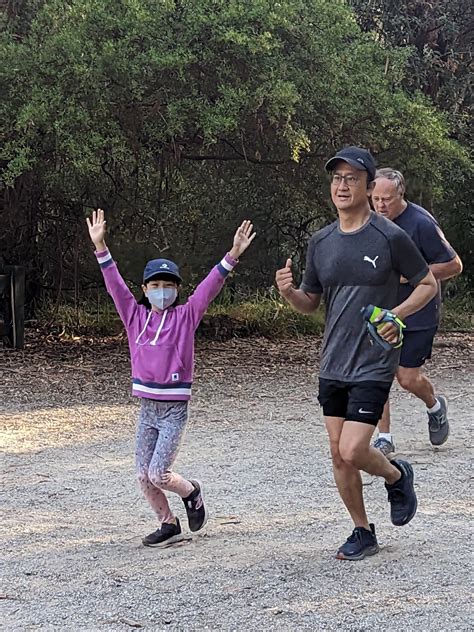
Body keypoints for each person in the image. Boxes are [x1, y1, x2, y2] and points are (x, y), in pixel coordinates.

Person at [275, 147, 438, 561]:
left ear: (368, 185)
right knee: (338, 454)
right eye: (336, 178)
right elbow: (311, 302)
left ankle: (396, 475)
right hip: (333, 362)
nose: (342, 185)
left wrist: (395, 315)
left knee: (352, 450)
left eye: (351, 178)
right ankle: (363, 531)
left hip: (373, 360)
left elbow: (426, 285)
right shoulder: (321, 241)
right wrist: (290, 292)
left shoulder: (389, 236)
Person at [86, 209, 256, 547]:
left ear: (177, 290)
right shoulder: (134, 317)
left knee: (159, 473)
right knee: (142, 475)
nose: (162, 291)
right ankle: (168, 523)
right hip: (147, 408)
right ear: (145, 289)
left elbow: (210, 287)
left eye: (168, 286)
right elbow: (115, 287)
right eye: (155, 286)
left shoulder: (185, 316)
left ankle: (192, 492)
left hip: (174, 409)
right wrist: (101, 246)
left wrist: (233, 254)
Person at [371, 169, 463, 455]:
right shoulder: (367, 221)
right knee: (379, 372)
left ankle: (435, 407)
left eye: (386, 199)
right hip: (382, 310)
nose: (381, 205)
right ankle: (384, 437)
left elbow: (453, 265)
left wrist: (411, 274)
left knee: (407, 378)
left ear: (401, 194)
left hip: (419, 311)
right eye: (375, 198)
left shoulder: (421, 223)